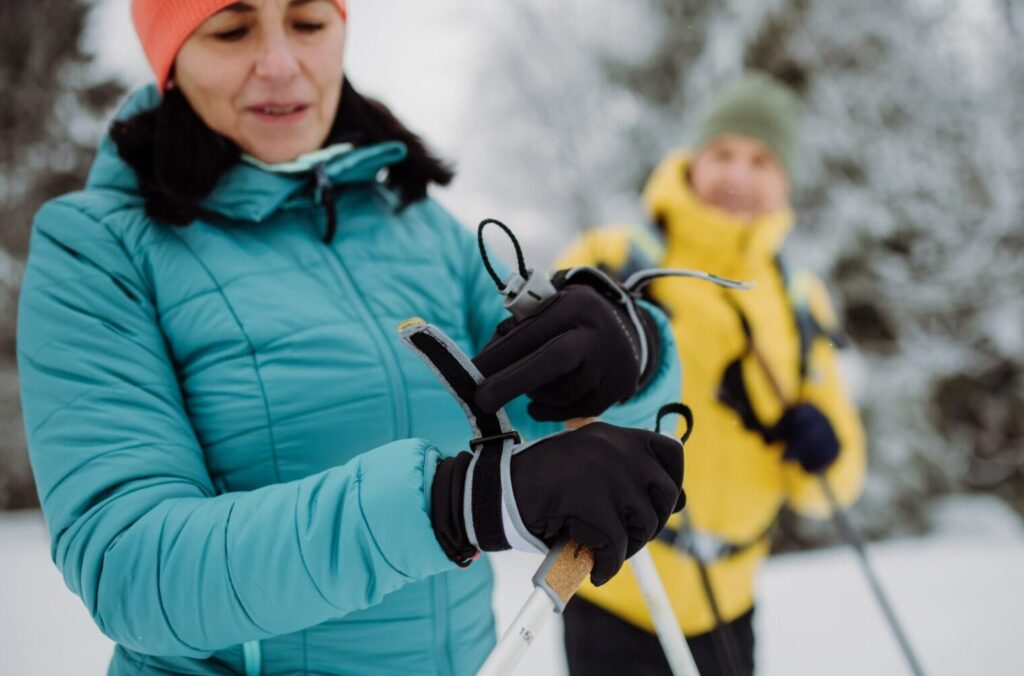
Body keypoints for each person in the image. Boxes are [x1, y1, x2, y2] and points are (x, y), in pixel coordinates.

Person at [16, 2, 687, 674]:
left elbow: (576, 423)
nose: (280, 64)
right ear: (169, 57)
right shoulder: (97, 248)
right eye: (231, 30)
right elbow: (132, 570)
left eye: (308, 23)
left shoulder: (421, 228)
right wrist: (459, 506)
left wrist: (631, 352)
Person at [557, 72, 867, 676]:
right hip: (615, 590)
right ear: (692, 158)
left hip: (729, 609)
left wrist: (823, 451)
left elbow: (834, 486)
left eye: (761, 160)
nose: (739, 176)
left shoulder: (799, 298)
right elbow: (527, 399)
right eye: (723, 153)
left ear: (785, 179)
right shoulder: (610, 259)